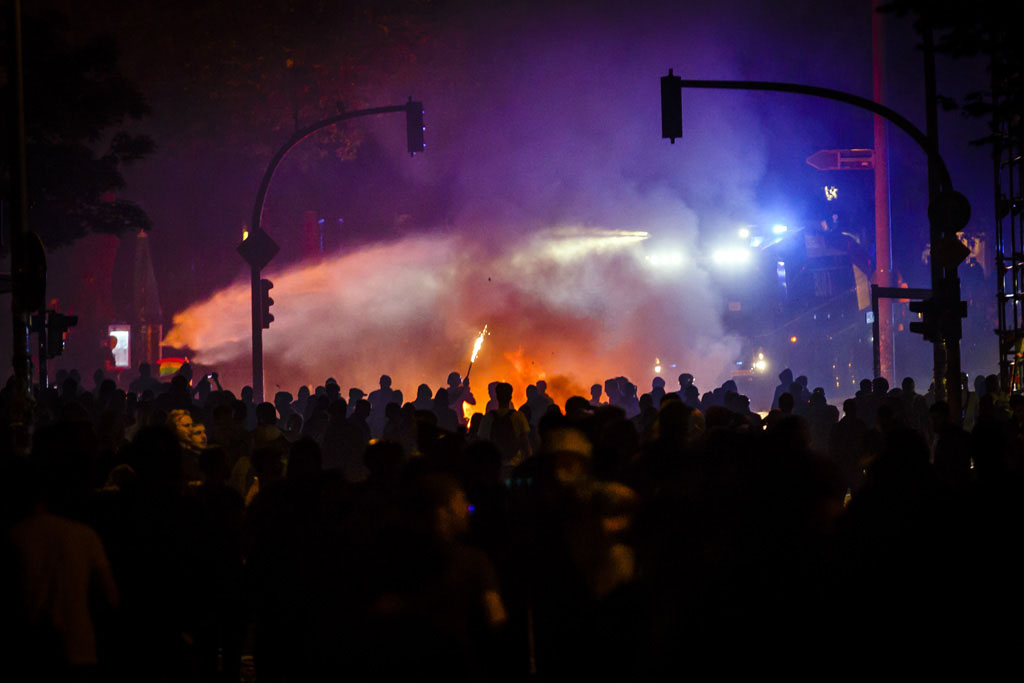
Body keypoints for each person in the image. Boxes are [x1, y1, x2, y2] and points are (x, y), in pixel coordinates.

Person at [478, 382, 531, 469]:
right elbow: (525, 443)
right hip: (515, 465)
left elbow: (482, 443)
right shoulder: (519, 416)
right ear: (510, 397)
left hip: (493, 465)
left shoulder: (487, 418)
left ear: (497, 396)